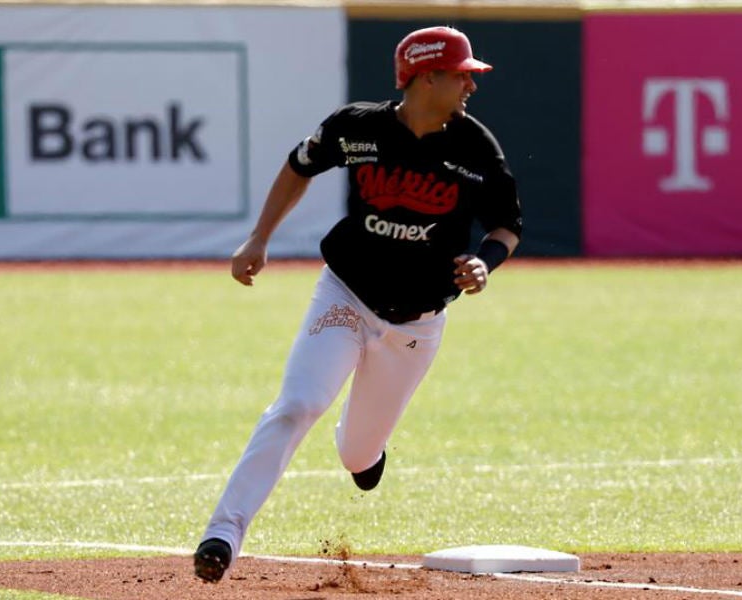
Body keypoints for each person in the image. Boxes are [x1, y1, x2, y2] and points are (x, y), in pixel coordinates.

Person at [193, 25, 522, 583]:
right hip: (346, 294)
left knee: (356, 454)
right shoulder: (357, 128)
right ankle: (223, 533)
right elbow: (299, 166)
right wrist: (259, 237)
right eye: (463, 75)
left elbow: (507, 225)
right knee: (297, 405)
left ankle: (365, 455)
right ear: (427, 77)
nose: (471, 87)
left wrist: (485, 261)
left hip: (416, 322)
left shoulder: (474, 147)